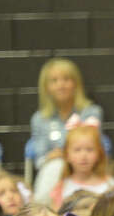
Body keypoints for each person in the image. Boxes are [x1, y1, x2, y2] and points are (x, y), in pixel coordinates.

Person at [28, 58, 102, 205]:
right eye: (54, 81)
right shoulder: (39, 118)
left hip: (86, 167)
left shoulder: (91, 112)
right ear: (46, 87)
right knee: (56, 166)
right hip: (54, 172)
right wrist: (62, 155)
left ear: (76, 83)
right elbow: (40, 159)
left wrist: (64, 153)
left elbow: (93, 146)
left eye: (66, 79)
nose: (60, 85)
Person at [45, 125, 114, 210]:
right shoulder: (62, 187)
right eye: (77, 150)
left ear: (99, 154)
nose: (83, 156)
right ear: (67, 155)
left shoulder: (110, 185)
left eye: (89, 149)